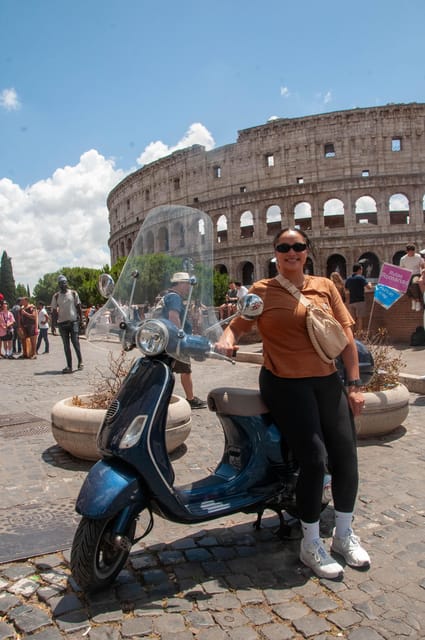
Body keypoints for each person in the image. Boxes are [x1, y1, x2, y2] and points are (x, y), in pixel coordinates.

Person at [216, 227, 370, 580]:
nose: (292, 252)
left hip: (326, 380)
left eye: (298, 246)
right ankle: (310, 543)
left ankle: (343, 535)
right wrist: (226, 339)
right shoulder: (261, 291)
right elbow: (238, 326)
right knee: (314, 461)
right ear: (275, 253)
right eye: (284, 247)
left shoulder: (325, 286)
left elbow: (346, 335)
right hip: (284, 382)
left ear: (307, 251)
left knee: (345, 456)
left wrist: (355, 383)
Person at [161, 272, 207, 409]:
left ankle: (164, 398)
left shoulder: (168, 296)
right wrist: (181, 337)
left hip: (168, 340)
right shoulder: (175, 298)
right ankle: (190, 399)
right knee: (185, 370)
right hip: (176, 342)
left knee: (167, 369)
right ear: (180, 283)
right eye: (187, 284)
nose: (188, 287)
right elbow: (173, 317)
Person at [51, 275, 83, 373]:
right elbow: (54, 311)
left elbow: (78, 306)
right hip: (62, 323)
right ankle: (69, 366)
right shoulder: (56, 296)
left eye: (64, 283)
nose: (63, 285)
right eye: (61, 283)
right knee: (66, 345)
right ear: (59, 285)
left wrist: (81, 320)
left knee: (75, 342)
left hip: (73, 322)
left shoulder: (73, 293)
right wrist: (53, 325)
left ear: (67, 283)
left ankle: (80, 361)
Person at [344, 264, 372, 332]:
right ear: (359, 270)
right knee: (360, 318)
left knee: (352, 319)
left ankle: (352, 335)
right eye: (361, 269)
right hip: (360, 301)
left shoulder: (349, 279)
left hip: (351, 302)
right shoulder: (360, 278)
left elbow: (346, 289)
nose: (362, 271)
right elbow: (369, 287)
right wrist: (370, 283)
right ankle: (359, 335)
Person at [400, 244, 424, 312]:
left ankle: (418, 301)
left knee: (414, 285)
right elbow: (402, 269)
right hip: (407, 275)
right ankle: (413, 300)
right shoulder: (403, 259)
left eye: (413, 251)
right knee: (405, 288)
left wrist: (422, 274)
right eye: (411, 252)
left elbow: (422, 266)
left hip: (416, 274)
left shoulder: (418, 257)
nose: (412, 253)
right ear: (407, 251)